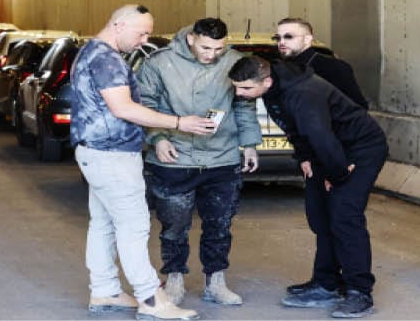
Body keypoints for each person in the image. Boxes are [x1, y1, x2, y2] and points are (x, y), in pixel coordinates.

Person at [70, 4, 216, 320]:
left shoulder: (90, 51)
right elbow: (124, 108)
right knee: (133, 227)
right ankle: (151, 299)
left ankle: (105, 291)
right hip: (112, 157)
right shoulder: (107, 60)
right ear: (119, 25)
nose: (145, 40)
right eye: (142, 32)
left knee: (104, 224)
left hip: (96, 153)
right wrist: (178, 123)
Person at [228, 56, 388, 319]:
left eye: (245, 88)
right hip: (326, 150)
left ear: (265, 81)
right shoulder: (273, 89)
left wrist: (336, 177)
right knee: (319, 215)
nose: (239, 93)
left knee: (344, 217)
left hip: (360, 149)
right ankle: (327, 283)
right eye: (236, 87)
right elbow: (294, 128)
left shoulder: (303, 94)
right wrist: (303, 157)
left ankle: (359, 291)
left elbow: (320, 136)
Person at [136, 18, 261, 307]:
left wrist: (250, 143)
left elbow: (244, 104)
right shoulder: (160, 63)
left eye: (219, 48)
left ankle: (215, 282)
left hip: (222, 158)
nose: (212, 54)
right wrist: (158, 139)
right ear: (191, 38)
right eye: (206, 47)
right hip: (174, 158)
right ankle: (175, 278)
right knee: (173, 226)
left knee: (220, 224)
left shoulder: (234, 61)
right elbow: (146, 104)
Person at [274, 17, 369, 109]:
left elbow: (358, 107)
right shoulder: (278, 69)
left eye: (288, 37)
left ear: (307, 39)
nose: (281, 42)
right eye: (278, 38)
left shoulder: (334, 68)